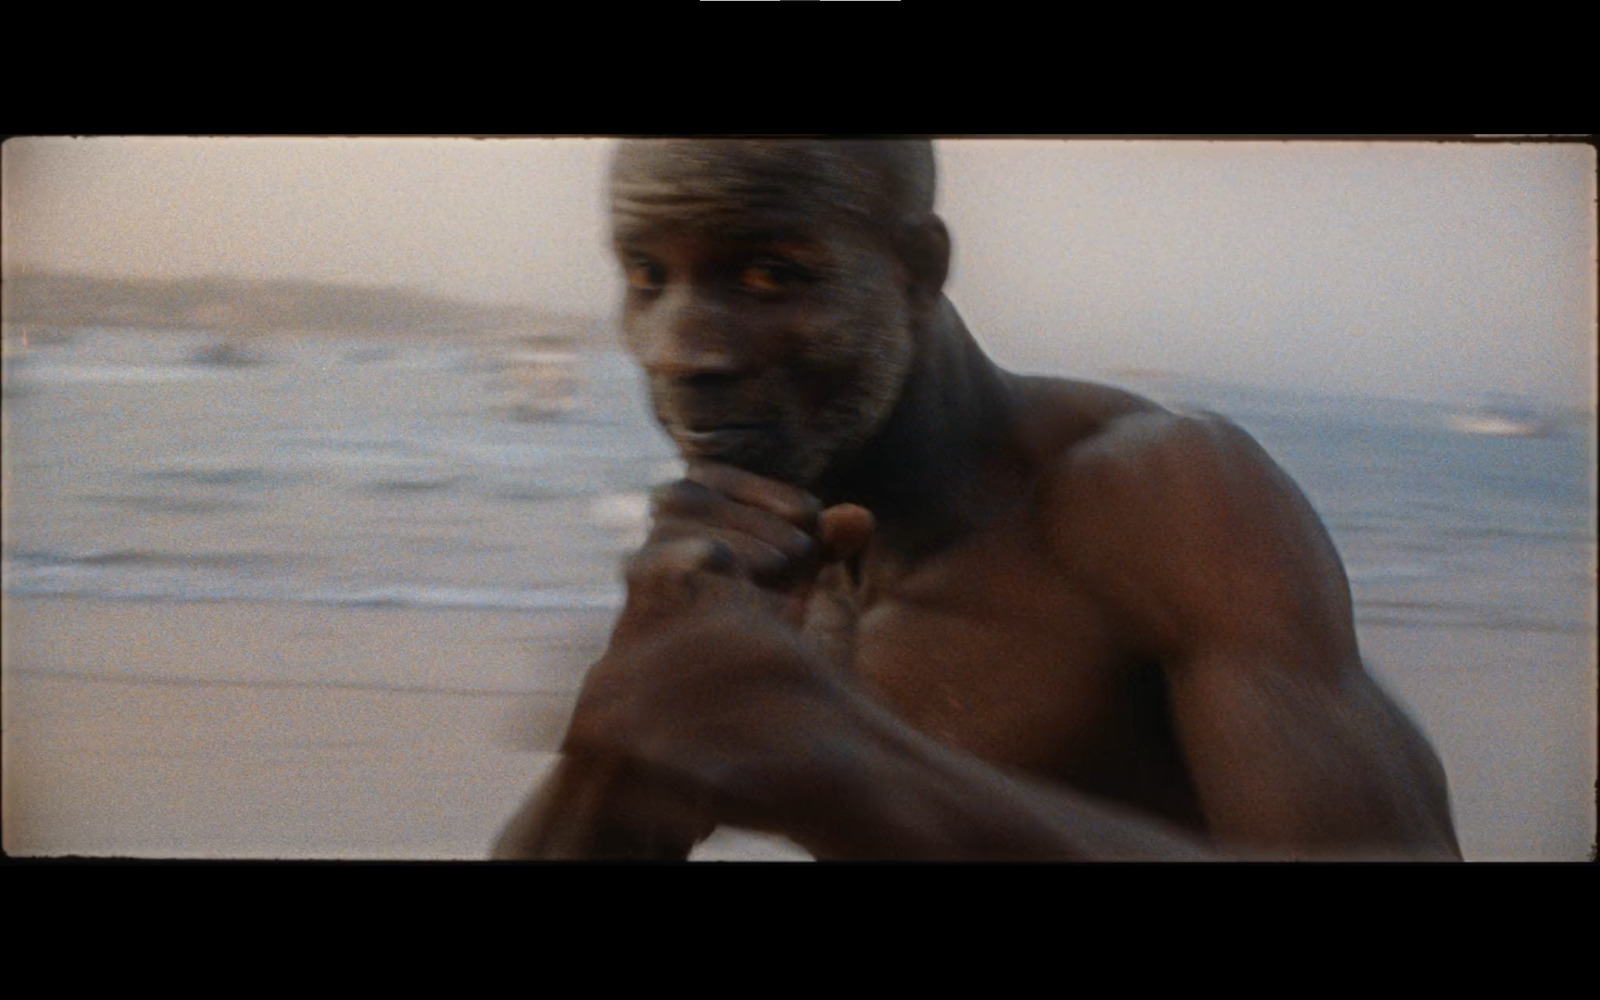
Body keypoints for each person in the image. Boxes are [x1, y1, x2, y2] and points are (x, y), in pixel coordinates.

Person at [492, 138, 1461, 861]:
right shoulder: (761, 562)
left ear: (917, 270)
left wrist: (855, 767)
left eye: (770, 273)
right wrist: (614, 758)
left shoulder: (1160, 493)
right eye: (645, 275)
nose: (679, 349)